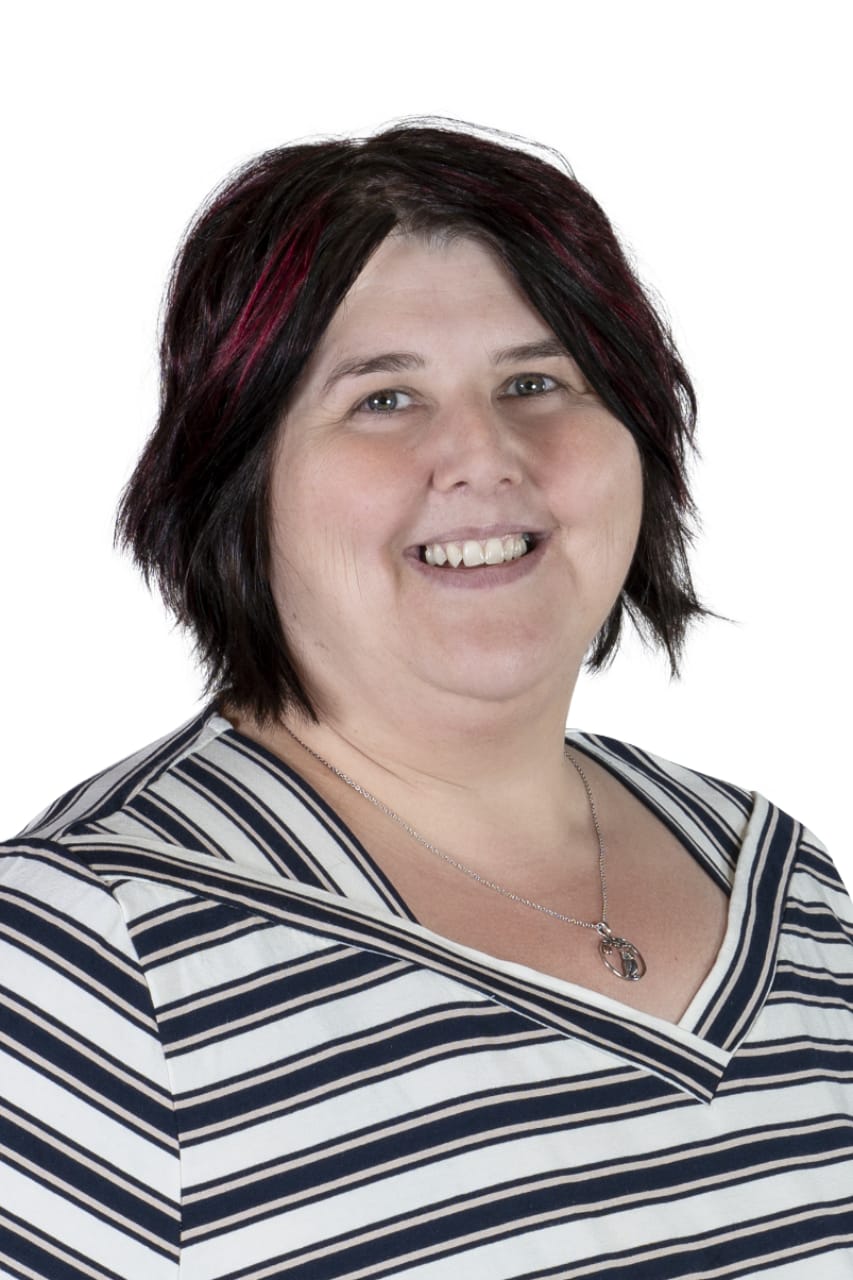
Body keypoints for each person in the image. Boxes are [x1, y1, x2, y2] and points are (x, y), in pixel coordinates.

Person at [1, 121, 850, 1279]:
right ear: (237, 478)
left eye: (536, 381)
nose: (485, 454)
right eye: (385, 398)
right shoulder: (80, 953)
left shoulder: (783, 886)